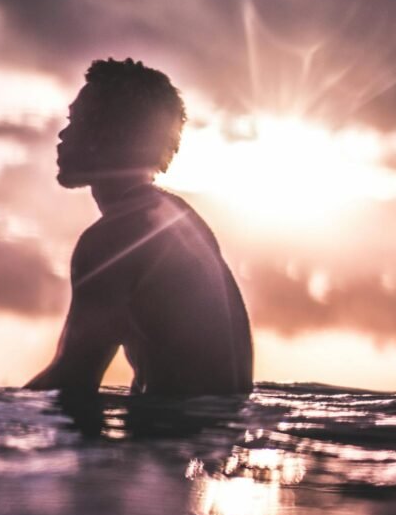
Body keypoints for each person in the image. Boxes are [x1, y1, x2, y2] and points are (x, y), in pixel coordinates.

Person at [24, 57, 253, 396]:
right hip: (217, 440)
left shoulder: (114, 239)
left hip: (173, 439)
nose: (63, 134)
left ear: (111, 133)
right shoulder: (178, 217)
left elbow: (71, 386)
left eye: (77, 120)